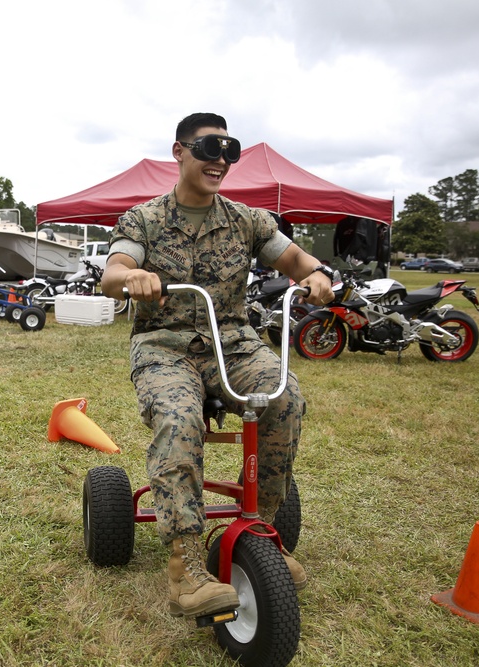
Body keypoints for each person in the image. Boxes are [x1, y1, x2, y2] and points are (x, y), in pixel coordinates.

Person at [101, 113, 334, 619]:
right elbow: (113, 271)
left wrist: (315, 273)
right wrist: (133, 275)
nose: (220, 161)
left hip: (233, 342)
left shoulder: (247, 220)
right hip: (165, 345)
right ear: (180, 152)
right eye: (209, 148)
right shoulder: (143, 219)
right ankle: (186, 565)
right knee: (180, 420)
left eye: (230, 150)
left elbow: (292, 259)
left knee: (284, 397)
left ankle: (264, 532)